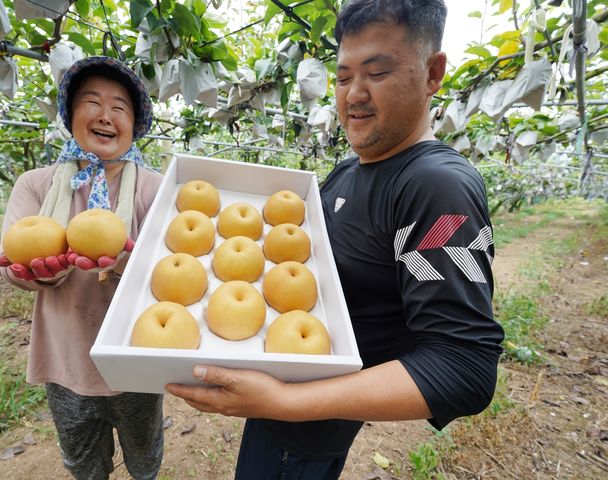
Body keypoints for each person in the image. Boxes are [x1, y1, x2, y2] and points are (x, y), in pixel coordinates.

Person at [165, 1, 505, 478]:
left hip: (309, 426)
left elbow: (462, 366)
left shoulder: (436, 189)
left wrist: (287, 401)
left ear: (432, 74)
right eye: (344, 78)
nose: (354, 96)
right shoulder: (349, 170)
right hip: (278, 399)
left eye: (378, 72)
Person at [0, 56, 164, 480]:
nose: (106, 116)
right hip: (66, 356)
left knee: (144, 459)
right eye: (92, 102)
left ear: (133, 124)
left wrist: (125, 259)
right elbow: (10, 259)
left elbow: (168, 270)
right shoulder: (36, 184)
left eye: (120, 107)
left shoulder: (154, 186)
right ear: (70, 115)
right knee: (84, 463)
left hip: (133, 359)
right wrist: (33, 272)